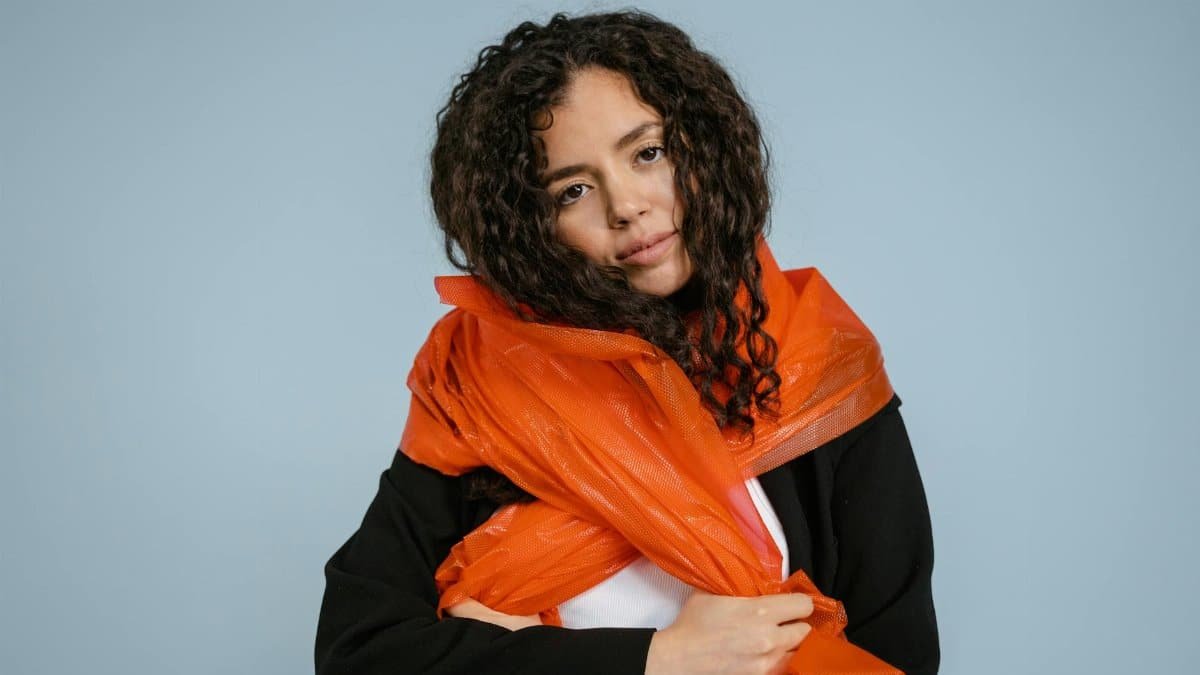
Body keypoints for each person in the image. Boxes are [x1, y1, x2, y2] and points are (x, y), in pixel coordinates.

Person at [315, 9, 938, 675]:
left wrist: (499, 649)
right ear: (532, 228)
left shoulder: (822, 373)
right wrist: (661, 658)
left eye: (649, 153)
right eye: (573, 190)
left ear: (702, 149)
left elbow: (894, 659)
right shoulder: (477, 387)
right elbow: (360, 652)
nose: (627, 205)